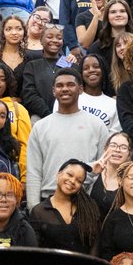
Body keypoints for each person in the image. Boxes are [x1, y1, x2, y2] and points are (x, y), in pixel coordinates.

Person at [26, 67, 109, 201]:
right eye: (59, 85)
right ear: (53, 91)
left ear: (80, 89)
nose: (65, 89)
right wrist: (34, 207)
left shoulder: (97, 126)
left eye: (70, 85)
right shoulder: (40, 127)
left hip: (84, 201)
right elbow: (34, 172)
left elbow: (104, 169)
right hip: (48, 200)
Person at [28, 158, 102, 255]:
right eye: (70, 175)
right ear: (58, 174)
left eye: (79, 181)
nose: (72, 181)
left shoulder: (89, 209)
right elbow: (34, 252)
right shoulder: (39, 211)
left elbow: (95, 248)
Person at [91, 131, 133, 215]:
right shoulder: (93, 173)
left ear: (129, 153)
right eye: (113, 145)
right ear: (105, 149)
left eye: (123, 147)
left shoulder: (131, 180)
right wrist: (92, 173)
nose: (117, 150)